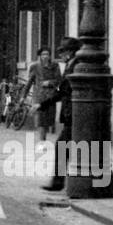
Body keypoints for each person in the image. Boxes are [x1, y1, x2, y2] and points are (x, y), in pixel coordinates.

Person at [43, 37, 82, 192]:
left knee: (62, 145)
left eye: (64, 51)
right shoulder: (70, 64)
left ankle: (59, 182)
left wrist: (44, 103)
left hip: (74, 113)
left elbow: (63, 89)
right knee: (65, 146)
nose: (62, 54)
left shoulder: (75, 65)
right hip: (70, 113)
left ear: (70, 52)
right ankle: (60, 181)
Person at [27, 47, 62, 143]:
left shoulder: (55, 65)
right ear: (40, 56)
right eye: (43, 54)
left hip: (50, 97)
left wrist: (50, 82)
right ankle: (42, 141)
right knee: (40, 121)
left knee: (48, 121)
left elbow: (59, 80)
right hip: (39, 96)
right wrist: (23, 96)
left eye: (47, 54)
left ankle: (43, 139)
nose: (45, 56)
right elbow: (29, 82)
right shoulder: (35, 66)